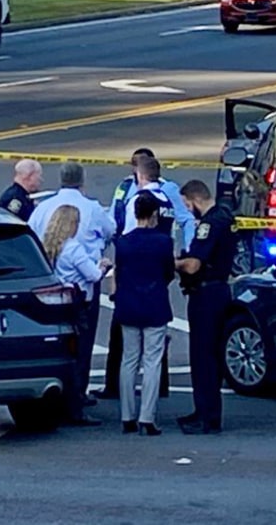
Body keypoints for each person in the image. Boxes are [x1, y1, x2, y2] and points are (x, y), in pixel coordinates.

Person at [28, 162, 116, 415]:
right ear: (82, 181)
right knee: (82, 346)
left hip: (51, 290)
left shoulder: (43, 209)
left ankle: (59, 391)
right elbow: (111, 231)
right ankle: (77, 396)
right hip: (83, 289)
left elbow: (31, 237)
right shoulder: (92, 209)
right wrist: (101, 263)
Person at [98, 154, 177, 401]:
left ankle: (124, 402)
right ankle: (157, 392)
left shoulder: (139, 200)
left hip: (134, 277)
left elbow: (131, 240)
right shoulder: (167, 200)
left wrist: (116, 281)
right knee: (156, 341)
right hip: (158, 273)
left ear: (140, 175)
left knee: (127, 350)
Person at [175, 180, 238, 435]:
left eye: (186, 204)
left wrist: (174, 262)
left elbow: (194, 265)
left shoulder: (210, 223)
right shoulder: (226, 216)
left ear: (193, 199)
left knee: (203, 356)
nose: (187, 209)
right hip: (219, 290)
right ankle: (205, 410)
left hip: (207, 294)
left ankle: (207, 416)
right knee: (210, 354)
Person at [40, 203, 110, 427]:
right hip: (80, 304)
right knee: (80, 356)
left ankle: (63, 403)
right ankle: (76, 407)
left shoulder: (49, 246)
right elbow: (93, 275)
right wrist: (103, 266)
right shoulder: (73, 248)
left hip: (61, 303)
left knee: (66, 355)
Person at [114, 192, 176, 437]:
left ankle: (126, 415)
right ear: (154, 214)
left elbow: (119, 271)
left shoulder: (123, 242)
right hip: (154, 302)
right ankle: (147, 417)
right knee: (152, 361)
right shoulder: (163, 242)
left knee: (128, 360)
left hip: (128, 303)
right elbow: (168, 272)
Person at [111, 148, 196, 249]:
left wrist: (190, 249)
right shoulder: (124, 186)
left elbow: (187, 219)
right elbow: (112, 218)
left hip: (151, 248)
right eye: (134, 163)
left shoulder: (167, 188)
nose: (136, 167)